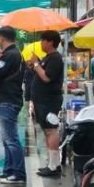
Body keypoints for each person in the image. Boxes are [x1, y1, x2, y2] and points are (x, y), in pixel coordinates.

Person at [0, 26, 26, 185]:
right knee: (6, 138)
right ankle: (8, 171)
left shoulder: (11, 54)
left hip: (8, 99)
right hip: (5, 98)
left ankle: (18, 173)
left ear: (2, 38)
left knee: (11, 138)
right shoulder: (11, 54)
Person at [30, 30, 63, 178]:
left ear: (50, 41)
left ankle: (54, 166)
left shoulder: (55, 58)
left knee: (51, 130)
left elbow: (47, 78)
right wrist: (36, 63)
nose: (41, 43)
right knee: (46, 131)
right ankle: (52, 163)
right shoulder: (48, 58)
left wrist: (37, 64)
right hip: (42, 101)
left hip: (49, 101)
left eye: (43, 40)